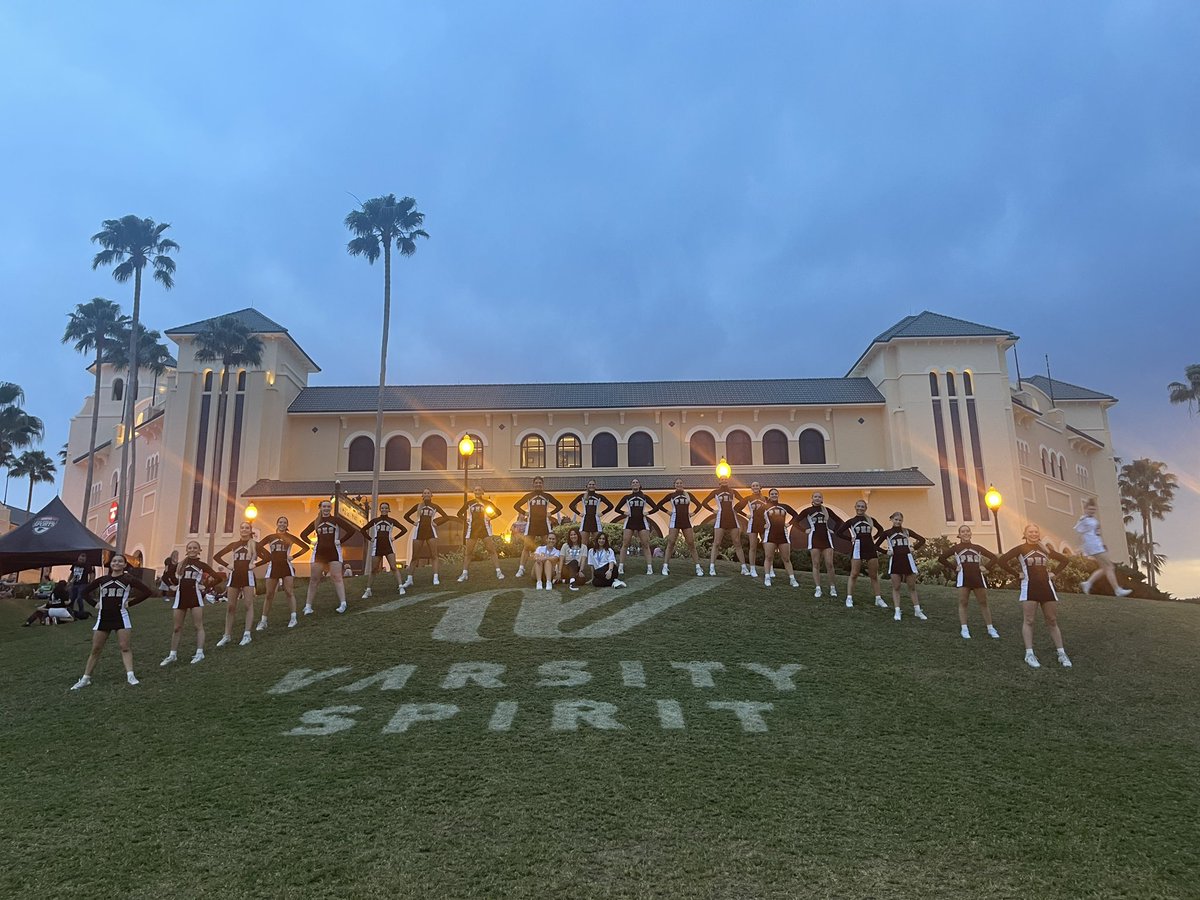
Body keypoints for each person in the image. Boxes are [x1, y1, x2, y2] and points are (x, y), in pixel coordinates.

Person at [70, 553, 154, 689]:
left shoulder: (128, 579)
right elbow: (84, 592)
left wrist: (130, 603)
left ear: (125, 565)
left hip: (121, 616)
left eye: (120, 561)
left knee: (124, 647)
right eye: (114, 561)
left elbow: (147, 591)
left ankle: (130, 675)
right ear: (111, 564)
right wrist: (94, 604)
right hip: (103, 617)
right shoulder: (102, 579)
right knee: (96, 649)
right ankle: (86, 678)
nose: (117, 563)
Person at [996, 523, 1073, 668]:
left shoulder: (1045, 549)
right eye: (1030, 532)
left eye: (1036, 532)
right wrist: (1016, 574)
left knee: (1052, 620)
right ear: (1025, 534)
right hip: (1029, 587)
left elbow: (1065, 560)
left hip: (1046, 588)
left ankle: (1061, 653)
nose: (1033, 534)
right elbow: (1002, 560)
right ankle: (1029, 653)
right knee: (1029, 620)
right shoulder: (1020, 549)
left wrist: (1054, 573)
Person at [160, 541, 219, 666]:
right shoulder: (181, 564)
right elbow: (165, 576)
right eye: (190, 548)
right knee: (177, 628)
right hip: (180, 597)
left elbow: (218, 577)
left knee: (198, 626)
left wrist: (206, 586)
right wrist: (172, 586)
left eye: (195, 548)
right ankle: (172, 655)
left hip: (195, 597)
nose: (192, 550)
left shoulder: (202, 565)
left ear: (199, 550)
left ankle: (199, 653)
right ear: (186, 550)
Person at [938, 525, 1000, 639]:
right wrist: (953, 567)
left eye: (967, 531)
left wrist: (985, 567)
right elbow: (941, 558)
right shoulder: (956, 548)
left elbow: (994, 557)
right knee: (963, 602)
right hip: (963, 578)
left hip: (977, 578)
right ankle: (964, 628)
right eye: (963, 532)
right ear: (959, 534)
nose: (965, 533)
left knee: (983, 602)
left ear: (971, 533)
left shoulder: (977, 547)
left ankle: (990, 628)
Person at [214, 521, 267, 647]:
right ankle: (227, 635)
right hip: (235, 576)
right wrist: (228, 566)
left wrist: (255, 564)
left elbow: (268, 557)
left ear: (250, 530)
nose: (244, 530)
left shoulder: (255, 544)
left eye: (247, 528)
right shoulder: (234, 544)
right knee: (230, 607)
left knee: (248, 605)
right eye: (242, 527)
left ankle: (247, 634)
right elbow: (217, 556)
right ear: (240, 530)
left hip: (248, 576)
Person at [300, 500, 356, 614]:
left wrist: (340, 541)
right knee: (314, 580)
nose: (326, 508)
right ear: (320, 508)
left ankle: (343, 603)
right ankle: (308, 606)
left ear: (330, 508)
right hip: (319, 553)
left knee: (337, 577)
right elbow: (303, 534)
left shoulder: (335, 520)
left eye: (328, 507)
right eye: (324, 506)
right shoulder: (316, 521)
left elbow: (351, 530)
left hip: (334, 552)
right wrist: (311, 542)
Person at [257, 516, 309, 629]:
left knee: (289, 592)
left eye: (285, 522)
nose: (282, 524)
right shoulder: (271, 537)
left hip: (286, 566)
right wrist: (266, 557)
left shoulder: (290, 537)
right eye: (280, 522)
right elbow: (257, 547)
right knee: (269, 594)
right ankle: (263, 621)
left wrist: (293, 556)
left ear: (287, 525)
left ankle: (293, 618)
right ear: (277, 524)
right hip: (273, 566)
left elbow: (305, 547)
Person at [875, 512, 927, 621]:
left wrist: (915, 548)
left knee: (912, 587)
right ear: (892, 520)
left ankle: (917, 610)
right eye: (896, 519)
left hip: (908, 560)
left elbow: (922, 539)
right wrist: (886, 552)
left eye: (900, 520)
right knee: (896, 587)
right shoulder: (887, 533)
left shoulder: (906, 531)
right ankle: (897, 610)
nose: (898, 522)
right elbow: (875, 545)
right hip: (895, 561)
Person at [836, 500, 887, 609]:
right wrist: (850, 538)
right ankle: (849, 597)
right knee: (854, 574)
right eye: (858, 506)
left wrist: (874, 537)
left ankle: (878, 598)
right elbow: (839, 533)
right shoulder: (851, 521)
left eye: (862, 506)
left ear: (866, 508)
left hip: (870, 547)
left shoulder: (871, 520)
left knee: (873, 575)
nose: (860, 508)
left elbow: (881, 530)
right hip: (857, 547)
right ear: (855, 507)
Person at [1076, 498, 1132, 597]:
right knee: (1110, 566)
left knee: (1105, 568)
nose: (1092, 511)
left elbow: (1097, 533)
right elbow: (1080, 533)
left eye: (1093, 510)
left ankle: (1087, 583)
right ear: (1085, 509)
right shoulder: (1083, 520)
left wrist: (1102, 544)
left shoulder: (1093, 520)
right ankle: (1117, 589)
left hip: (1097, 544)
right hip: (1092, 545)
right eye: (1090, 509)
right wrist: (1080, 547)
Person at [796, 492, 843, 599]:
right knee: (816, 564)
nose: (817, 498)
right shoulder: (807, 511)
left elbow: (838, 521)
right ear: (812, 499)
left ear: (822, 499)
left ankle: (832, 587)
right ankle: (818, 588)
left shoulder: (826, 510)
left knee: (829, 564)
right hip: (814, 539)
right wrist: (804, 530)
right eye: (815, 497)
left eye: (819, 497)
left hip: (826, 539)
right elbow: (795, 521)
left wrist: (833, 530)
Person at [514, 476, 563, 578]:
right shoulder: (528, 496)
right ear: (533, 484)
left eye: (540, 483)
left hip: (544, 524)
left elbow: (559, 506)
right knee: (526, 547)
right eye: (536, 483)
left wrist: (551, 513)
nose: (538, 484)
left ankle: (553, 567)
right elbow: (516, 505)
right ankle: (521, 569)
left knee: (549, 545)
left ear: (542, 484)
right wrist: (524, 513)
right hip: (531, 524)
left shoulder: (547, 496)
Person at [699, 478, 749, 576]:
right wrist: (713, 511)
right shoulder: (715, 492)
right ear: (719, 482)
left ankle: (744, 568)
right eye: (722, 479)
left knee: (737, 542)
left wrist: (737, 510)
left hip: (732, 518)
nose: (724, 480)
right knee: (717, 543)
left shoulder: (733, 491)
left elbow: (743, 501)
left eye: (726, 479)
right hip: (720, 518)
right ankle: (712, 567)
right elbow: (704, 502)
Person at [361, 502, 409, 598]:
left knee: (393, 567)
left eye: (386, 508)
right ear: (380, 509)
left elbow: (404, 529)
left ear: (388, 509)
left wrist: (394, 538)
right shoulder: (375, 521)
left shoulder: (392, 521)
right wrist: (371, 539)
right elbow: (363, 530)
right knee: (374, 569)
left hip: (388, 546)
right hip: (377, 546)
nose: (384, 509)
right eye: (382, 508)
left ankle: (400, 586)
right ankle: (368, 589)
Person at [403, 490, 449, 587]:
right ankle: (409, 579)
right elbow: (406, 516)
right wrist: (413, 523)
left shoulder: (435, 506)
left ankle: (435, 577)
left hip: (431, 531)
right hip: (419, 531)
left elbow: (446, 517)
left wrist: (437, 523)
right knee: (415, 556)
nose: (427, 494)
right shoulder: (418, 506)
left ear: (431, 495)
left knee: (434, 555)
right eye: (425, 493)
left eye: (428, 493)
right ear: (422, 495)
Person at [457, 488, 505, 583]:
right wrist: (466, 519)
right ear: (474, 492)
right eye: (475, 490)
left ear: (483, 492)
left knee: (491, 550)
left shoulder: (487, 503)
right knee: (468, 553)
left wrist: (490, 518)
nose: (477, 492)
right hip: (473, 530)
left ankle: (498, 571)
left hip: (484, 529)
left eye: (479, 490)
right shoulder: (469, 503)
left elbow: (498, 512)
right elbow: (459, 513)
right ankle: (464, 573)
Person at [659, 478, 705, 576]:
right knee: (671, 543)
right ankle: (665, 566)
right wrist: (668, 512)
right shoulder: (671, 496)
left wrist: (693, 513)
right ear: (674, 485)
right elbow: (659, 505)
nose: (679, 484)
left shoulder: (688, 495)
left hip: (686, 521)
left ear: (683, 484)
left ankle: (698, 567)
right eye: (677, 483)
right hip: (674, 520)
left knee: (691, 544)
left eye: (680, 483)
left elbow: (699, 505)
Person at [615, 478, 656, 576]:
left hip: (642, 522)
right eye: (633, 483)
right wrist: (624, 513)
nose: (635, 484)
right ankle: (620, 567)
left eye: (637, 482)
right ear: (631, 485)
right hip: (630, 522)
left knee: (645, 544)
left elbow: (656, 507)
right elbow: (617, 508)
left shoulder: (645, 497)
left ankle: (649, 567)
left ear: (639, 485)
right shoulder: (627, 497)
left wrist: (648, 512)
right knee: (625, 544)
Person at [761, 489, 800, 588]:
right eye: (772, 494)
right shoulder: (764, 507)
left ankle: (792, 579)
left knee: (786, 558)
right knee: (769, 557)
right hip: (770, 535)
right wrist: (763, 525)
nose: (774, 495)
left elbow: (796, 515)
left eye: (775, 494)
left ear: (778, 495)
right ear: (769, 496)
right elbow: (756, 518)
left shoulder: (784, 506)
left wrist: (789, 523)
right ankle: (767, 577)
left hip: (783, 535)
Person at [734, 482, 770, 577]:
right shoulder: (748, 498)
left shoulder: (766, 499)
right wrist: (746, 515)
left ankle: (770, 568)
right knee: (753, 547)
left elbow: (772, 510)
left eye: (757, 485)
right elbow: (736, 508)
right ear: (751, 488)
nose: (755, 487)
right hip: (753, 524)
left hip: (764, 524)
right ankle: (752, 569)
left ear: (760, 487)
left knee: (768, 547)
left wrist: (769, 522)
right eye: (753, 486)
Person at [570, 479, 613, 548]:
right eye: (590, 484)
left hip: (595, 521)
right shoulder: (583, 496)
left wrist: (602, 513)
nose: (591, 486)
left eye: (593, 484)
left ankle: (598, 558)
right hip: (585, 521)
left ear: (595, 486)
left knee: (599, 543)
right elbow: (571, 505)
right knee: (583, 544)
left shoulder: (599, 496)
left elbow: (610, 506)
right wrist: (579, 513)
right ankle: (584, 558)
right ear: (587, 486)